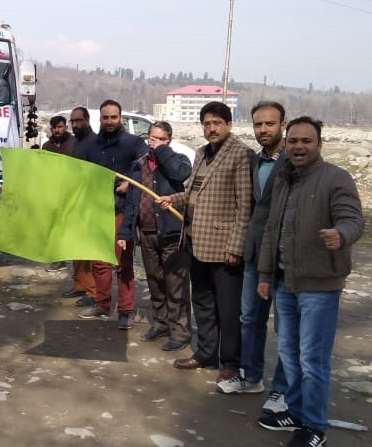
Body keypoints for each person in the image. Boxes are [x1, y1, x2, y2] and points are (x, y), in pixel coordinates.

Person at [255, 117, 363, 447]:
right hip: (285, 283)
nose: (299, 146)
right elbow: (271, 230)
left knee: (312, 360)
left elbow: (352, 219)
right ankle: (296, 411)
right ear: (286, 144)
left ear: (319, 144)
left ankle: (315, 427)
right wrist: (264, 275)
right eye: (293, 141)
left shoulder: (336, 177)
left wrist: (341, 234)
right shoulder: (284, 179)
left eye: (306, 141)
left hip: (319, 286)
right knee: (288, 354)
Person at [157, 101, 252, 382]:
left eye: (217, 123)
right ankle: (206, 353)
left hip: (224, 248)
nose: (211, 128)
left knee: (228, 309)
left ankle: (230, 362)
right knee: (203, 303)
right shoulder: (201, 153)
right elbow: (192, 193)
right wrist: (172, 199)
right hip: (195, 242)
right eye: (207, 124)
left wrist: (236, 247)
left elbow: (244, 206)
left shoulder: (241, 154)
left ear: (229, 124)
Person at [216, 101, 290, 413]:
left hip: (285, 257)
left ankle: (284, 390)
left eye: (270, 124)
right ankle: (251, 376)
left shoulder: (294, 161)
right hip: (255, 253)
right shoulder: (253, 161)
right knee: (250, 319)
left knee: (286, 329)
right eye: (258, 124)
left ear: (282, 124)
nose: (263, 130)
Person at [117, 121, 192, 350]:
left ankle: (180, 332)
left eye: (161, 139)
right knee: (155, 282)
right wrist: (125, 231)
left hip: (171, 233)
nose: (155, 142)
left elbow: (180, 174)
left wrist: (162, 152)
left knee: (175, 284)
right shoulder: (138, 165)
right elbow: (132, 202)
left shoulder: (179, 160)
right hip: (147, 233)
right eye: (152, 138)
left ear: (169, 141)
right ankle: (160, 324)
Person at [78, 100, 147, 330]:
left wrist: (131, 183)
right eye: (105, 117)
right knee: (99, 262)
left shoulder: (134, 143)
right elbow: (83, 174)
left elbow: (147, 169)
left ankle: (126, 310)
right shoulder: (92, 146)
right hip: (97, 210)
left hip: (121, 210)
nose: (109, 121)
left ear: (120, 118)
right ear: (100, 119)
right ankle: (102, 304)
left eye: (113, 117)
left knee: (123, 263)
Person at [64, 106, 99, 303]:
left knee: (88, 249)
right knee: (76, 246)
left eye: (78, 120)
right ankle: (79, 285)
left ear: (87, 120)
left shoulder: (95, 142)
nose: (75, 125)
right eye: (72, 121)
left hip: (89, 203)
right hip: (75, 201)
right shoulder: (76, 141)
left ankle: (92, 291)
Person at [42, 115, 76, 273]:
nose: (57, 130)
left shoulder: (74, 143)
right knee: (55, 226)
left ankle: (78, 262)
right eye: (54, 127)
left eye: (60, 127)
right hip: (53, 192)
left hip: (72, 192)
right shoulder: (46, 146)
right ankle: (58, 259)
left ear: (66, 127)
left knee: (73, 227)